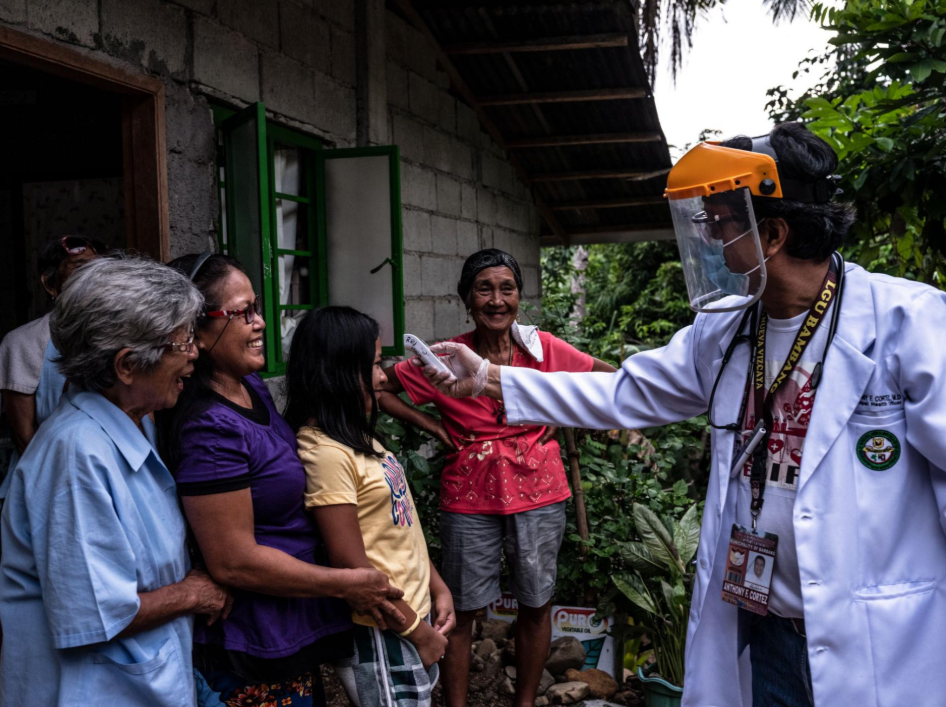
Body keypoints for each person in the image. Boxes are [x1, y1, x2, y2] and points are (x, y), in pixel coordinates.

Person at [416, 122, 946, 707]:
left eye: (721, 222)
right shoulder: (725, 331)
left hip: (878, 642)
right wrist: (489, 379)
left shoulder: (909, 323)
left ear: (770, 233)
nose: (714, 239)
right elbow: (621, 394)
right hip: (764, 630)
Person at [158, 253, 403, 707]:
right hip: (253, 636)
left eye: (257, 309)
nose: (260, 323)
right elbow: (234, 561)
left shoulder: (250, 387)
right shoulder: (209, 429)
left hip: (291, 621)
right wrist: (346, 583)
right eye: (243, 313)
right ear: (195, 327)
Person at [378, 249, 614, 707]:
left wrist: (570, 411)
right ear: (467, 299)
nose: (496, 299)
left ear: (519, 297)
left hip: (540, 491)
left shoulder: (543, 350)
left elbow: (609, 380)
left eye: (507, 288)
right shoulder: (446, 357)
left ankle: (524, 702)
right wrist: (431, 425)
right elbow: (380, 387)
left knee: (535, 602)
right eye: (484, 289)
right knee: (462, 609)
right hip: (468, 493)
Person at [0, 256, 232, 706]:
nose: (194, 353)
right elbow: (97, 612)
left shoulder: (134, 423)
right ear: (127, 366)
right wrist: (193, 592)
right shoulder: (76, 454)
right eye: (181, 342)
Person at [285, 306, 454, 707]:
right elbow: (352, 567)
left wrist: (437, 585)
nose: (383, 378)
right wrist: (418, 631)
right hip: (382, 629)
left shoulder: (355, 437)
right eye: (375, 365)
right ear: (339, 371)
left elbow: (399, 525)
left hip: (408, 614)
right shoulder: (324, 452)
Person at [0, 235, 106, 498]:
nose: (93, 279)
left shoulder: (124, 334)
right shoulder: (23, 342)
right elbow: (25, 438)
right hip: (46, 481)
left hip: (110, 471)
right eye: (81, 268)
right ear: (50, 284)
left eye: (100, 270)